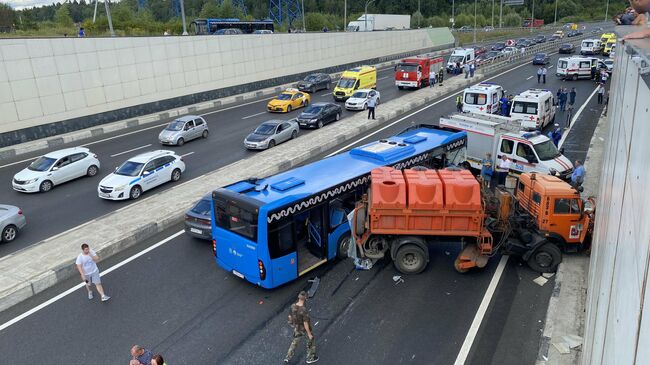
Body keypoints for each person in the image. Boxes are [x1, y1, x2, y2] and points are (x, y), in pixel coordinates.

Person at [285, 291, 318, 364]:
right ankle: (310, 358)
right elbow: (305, 323)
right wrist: (309, 333)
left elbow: (289, 316)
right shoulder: (303, 310)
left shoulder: (293, 306)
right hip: (304, 329)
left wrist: (293, 324)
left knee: (295, 342)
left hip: (297, 328)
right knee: (310, 342)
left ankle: (288, 357)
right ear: (305, 299)